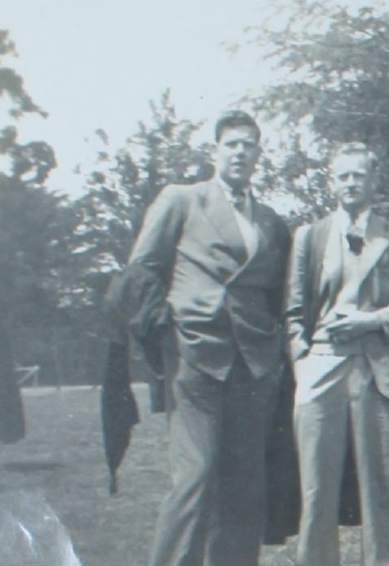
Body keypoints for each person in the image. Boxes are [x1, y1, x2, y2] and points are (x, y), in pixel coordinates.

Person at [127, 110, 291, 566]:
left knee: (244, 486)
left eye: (249, 144)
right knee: (194, 478)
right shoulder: (182, 199)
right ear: (215, 151)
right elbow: (142, 269)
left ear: (259, 154)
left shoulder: (271, 221)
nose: (240, 152)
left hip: (253, 365)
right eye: (232, 144)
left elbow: (276, 291)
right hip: (195, 357)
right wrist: (166, 332)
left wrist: (273, 349)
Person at [285, 142, 389, 566]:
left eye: (358, 175)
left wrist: (370, 321)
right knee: (316, 488)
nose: (350, 183)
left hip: (377, 365)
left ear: (373, 180)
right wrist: (302, 363)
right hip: (322, 364)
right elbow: (293, 313)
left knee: (383, 485)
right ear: (333, 181)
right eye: (343, 175)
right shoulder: (311, 236)